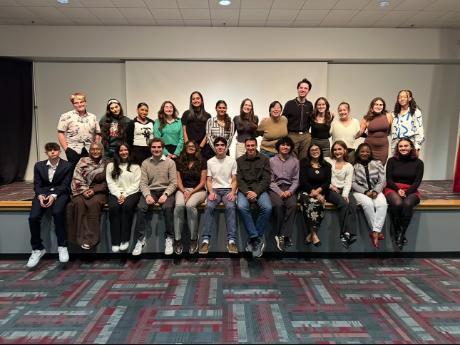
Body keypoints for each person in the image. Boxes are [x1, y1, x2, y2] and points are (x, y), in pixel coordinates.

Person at [26, 142, 73, 268]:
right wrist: (40, 195)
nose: (52, 152)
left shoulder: (68, 165)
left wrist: (54, 195)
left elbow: (65, 184)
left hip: (61, 193)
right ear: (46, 152)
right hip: (42, 193)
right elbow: (37, 184)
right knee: (33, 217)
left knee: (57, 213)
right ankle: (37, 248)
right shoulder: (39, 166)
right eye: (49, 150)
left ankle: (62, 246)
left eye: (55, 149)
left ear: (59, 151)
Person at [132, 138, 177, 256]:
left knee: (168, 208)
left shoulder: (170, 163)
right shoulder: (145, 163)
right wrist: (147, 195)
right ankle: (140, 240)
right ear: (150, 148)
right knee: (141, 207)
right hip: (151, 191)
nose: (156, 149)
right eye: (154, 147)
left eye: (159, 147)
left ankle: (169, 238)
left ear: (163, 148)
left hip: (165, 191)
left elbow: (173, 183)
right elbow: (143, 183)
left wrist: (166, 194)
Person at [199, 137, 238, 255]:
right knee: (209, 207)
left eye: (222, 145)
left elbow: (235, 180)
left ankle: (231, 241)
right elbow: (209, 180)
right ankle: (205, 240)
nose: (220, 147)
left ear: (226, 147)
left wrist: (232, 192)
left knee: (231, 207)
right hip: (215, 190)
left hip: (227, 190)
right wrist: (211, 192)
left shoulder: (232, 161)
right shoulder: (210, 161)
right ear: (214, 147)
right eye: (217, 145)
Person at [384, 138, 424, 249]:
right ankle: (397, 230)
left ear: (411, 147)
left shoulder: (419, 163)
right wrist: (398, 190)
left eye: (406, 146)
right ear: (397, 148)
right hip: (393, 188)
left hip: (411, 189)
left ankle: (401, 233)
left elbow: (417, 182)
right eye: (400, 146)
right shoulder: (391, 161)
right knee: (397, 204)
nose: (403, 148)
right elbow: (389, 179)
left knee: (407, 204)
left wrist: (407, 192)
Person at [66, 142, 107, 249]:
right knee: (78, 202)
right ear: (89, 151)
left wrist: (94, 190)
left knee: (94, 203)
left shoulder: (107, 163)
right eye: (92, 149)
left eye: (98, 149)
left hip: (99, 191)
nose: (95, 151)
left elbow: (109, 181)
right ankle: (78, 239)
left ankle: (90, 240)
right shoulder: (82, 161)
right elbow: (77, 177)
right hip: (82, 189)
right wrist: (84, 190)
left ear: (102, 150)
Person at [236, 137, 272, 258]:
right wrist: (247, 192)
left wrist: (256, 192)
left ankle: (254, 238)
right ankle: (255, 237)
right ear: (245, 147)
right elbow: (239, 180)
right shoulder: (239, 160)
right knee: (241, 206)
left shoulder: (265, 159)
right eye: (248, 146)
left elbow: (266, 179)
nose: (250, 148)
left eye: (252, 145)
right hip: (244, 191)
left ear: (256, 146)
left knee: (267, 208)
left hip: (259, 190)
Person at [173, 140, 207, 255]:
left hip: (198, 190)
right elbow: (178, 181)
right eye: (189, 146)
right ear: (185, 148)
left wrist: (191, 193)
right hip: (183, 189)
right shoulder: (179, 161)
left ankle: (193, 239)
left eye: (193, 146)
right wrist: (184, 191)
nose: (191, 148)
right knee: (179, 205)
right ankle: (177, 240)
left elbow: (203, 182)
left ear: (196, 148)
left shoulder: (202, 161)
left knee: (190, 205)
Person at [106, 143, 141, 253]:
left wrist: (124, 195)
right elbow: (110, 182)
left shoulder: (136, 166)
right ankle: (115, 241)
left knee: (127, 206)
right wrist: (118, 194)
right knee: (114, 207)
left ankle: (125, 240)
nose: (124, 152)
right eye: (121, 150)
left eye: (126, 150)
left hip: (131, 193)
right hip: (115, 193)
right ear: (117, 152)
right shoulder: (110, 166)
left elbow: (136, 184)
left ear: (129, 151)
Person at [352, 143, 387, 249]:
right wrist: (366, 192)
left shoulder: (377, 163)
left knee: (382, 205)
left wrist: (376, 191)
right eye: (362, 151)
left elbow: (382, 180)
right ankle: (376, 232)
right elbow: (353, 182)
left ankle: (374, 232)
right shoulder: (354, 165)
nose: (365, 153)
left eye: (367, 151)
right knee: (368, 204)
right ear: (358, 153)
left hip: (376, 190)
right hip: (360, 192)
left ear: (370, 152)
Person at [325, 141, 357, 249]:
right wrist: (330, 186)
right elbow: (323, 177)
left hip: (345, 190)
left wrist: (345, 194)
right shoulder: (328, 161)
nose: (337, 151)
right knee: (343, 204)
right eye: (335, 149)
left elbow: (348, 182)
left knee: (352, 205)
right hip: (330, 190)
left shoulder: (349, 166)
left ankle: (351, 234)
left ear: (345, 151)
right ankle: (344, 233)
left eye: (339, 149)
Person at [298, 144, 332, 247]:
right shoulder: (304, 164)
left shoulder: (326, 165)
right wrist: (314, 193)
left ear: (320, 151)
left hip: (320, 192)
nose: (314, 151)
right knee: (312, 203)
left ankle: (310, 235)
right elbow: (303, 181)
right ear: (309, 152)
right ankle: (314, 234)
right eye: (312, 150)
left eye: (317, 149)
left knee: (319, 203)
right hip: (305, 192)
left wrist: (318, 192)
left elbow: (327, 182)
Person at [269, 136, 299, 251]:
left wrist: (290, 191)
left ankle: (283, 235)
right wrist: (280, 192)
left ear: (290, 147)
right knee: (278, 205)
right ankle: (281, 234)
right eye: (283, 144)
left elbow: (296, 180)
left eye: (287, 145)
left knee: (292, 205)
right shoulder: (271, 161)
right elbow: (270, 181)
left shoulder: (295, 161)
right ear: (278, 147)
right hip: (275, 188)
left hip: (289, 188)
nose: (285, 147)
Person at [57, 92, 101, 165]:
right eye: (76, 103)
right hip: (73, 150)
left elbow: (98, 133)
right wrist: (67, 149)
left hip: (90, 150)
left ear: (85, 102)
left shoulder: (92, 117)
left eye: (81, 102)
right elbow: (60, 133)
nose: (79, 104)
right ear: (73, 104)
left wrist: (95, 147)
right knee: (74, 173)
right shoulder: (66, 116)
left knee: (89, 173)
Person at [283, 78, 313, 160]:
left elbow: (312, 120)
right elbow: (282, 121)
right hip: (292, 136)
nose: (303, 90)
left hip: (306, 137)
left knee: (304, 161)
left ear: (308, 91)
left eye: (305, 88)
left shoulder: (310, 105)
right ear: (298, 89)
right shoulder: (289, 104)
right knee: (292, 160)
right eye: (301, 87)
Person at [358, 97, 392, 164]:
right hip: (369, 147)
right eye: (376, 104)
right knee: (368, 166)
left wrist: (380, 136)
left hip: (383, 147)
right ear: (372, 106)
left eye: (380, 105)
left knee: (381, 166)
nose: (378, 106)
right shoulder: (366, 118)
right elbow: (360, 133)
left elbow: (390, 131)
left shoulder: (388, 116)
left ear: (383, 106)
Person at [181, 91, 213, 160]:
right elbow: (184, 130)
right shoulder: (186, 114)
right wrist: (188, 146)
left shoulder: (208, 116)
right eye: (193, 99)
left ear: (201, 100)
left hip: (202, 148)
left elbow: (207, 134)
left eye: (198, 98)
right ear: (191, 101)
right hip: (189, 147)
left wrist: (199, 148)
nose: (196, 100)